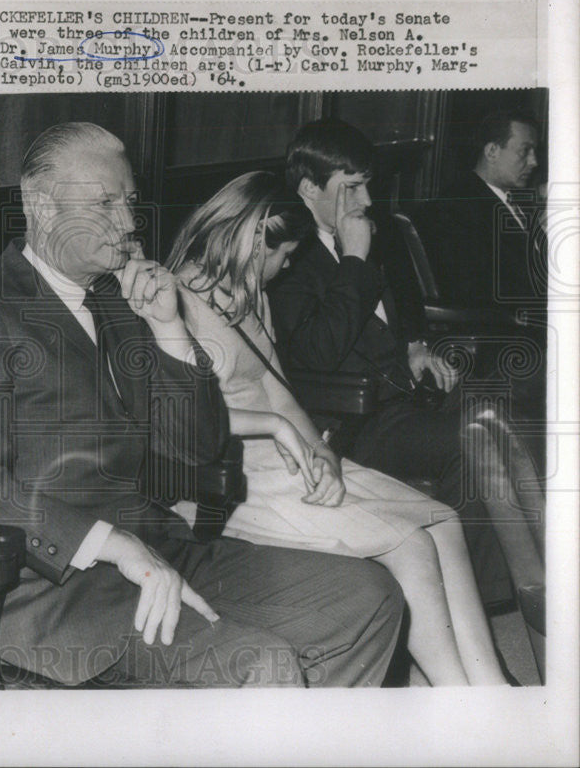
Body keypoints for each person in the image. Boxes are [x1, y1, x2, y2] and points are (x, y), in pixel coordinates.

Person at [0, 122, 404, 688]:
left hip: (161, 547)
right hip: (51, 593)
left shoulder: (119, 302)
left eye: (129, 202)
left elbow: (193, 448)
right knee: (261, 665)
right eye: (104, 203)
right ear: (41, 205)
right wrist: (112, 545)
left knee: (368, 598)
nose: (126, 223)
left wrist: (169, 328)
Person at [166, 171, 507, 685]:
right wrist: (284, 433)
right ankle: (454, 694)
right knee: (409, 542)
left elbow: (277, 387)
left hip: (291, 461)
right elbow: (177, 421)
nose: (285, 267)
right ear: (256, 237)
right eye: (283, 255)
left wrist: (320, 453)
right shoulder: (171, 304)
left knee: (442, 520)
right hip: (233, 476)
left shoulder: (245, 291)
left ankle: (488, 685)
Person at [268, 118, 544, 617]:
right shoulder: (291, 257)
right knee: (474, 436)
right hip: (354, 419)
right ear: (310, 188)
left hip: (407, 395)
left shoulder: (368, 233)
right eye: (351, 187)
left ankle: (518, 579)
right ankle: (480, 601)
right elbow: (316, 355)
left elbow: (408, 299)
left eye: (367, 184)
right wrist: (353, 260)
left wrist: (416, 343)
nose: (367, 200)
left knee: (514, 401)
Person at [430, 109, 545, 312]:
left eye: (535, 152)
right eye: (525, 151)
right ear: (492, 151)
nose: (534, 162)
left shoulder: (519, 203)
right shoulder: (457, 207)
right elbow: (474, 293)